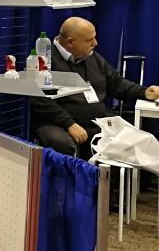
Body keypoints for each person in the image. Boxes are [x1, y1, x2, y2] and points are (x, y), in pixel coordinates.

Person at [31, 17, 159, 160]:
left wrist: (145, 92)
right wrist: (69, 124)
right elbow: (38, 99)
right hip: (59, 123)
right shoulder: (44, 59)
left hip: (96, 120)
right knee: (60, 142)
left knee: (141, 136)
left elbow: (116, 83)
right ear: (70, 42)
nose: (95, 43)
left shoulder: (90, 56)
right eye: (89, 40)